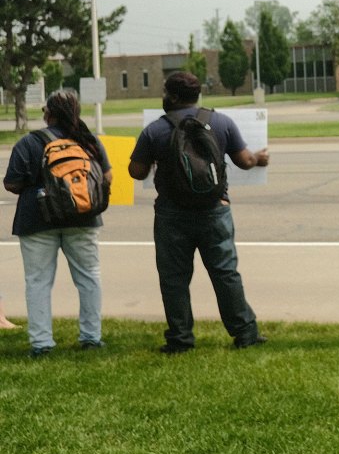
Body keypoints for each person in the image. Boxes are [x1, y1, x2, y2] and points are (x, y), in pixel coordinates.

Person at [128, 71, 269, 353]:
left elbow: (136, 171)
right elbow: (244, 161)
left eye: (166, 92)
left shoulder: (155, 130)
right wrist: (259, 159)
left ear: (174, 96)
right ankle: (245, 333)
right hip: (215, 212)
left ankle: (180, 339)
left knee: (174, 279)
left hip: (171, 216)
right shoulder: (221, 122)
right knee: (226, 273)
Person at [3, 89, 110, 357]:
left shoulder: (29, 143)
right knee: (88, 278)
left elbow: (11, 183)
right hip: (83, 218)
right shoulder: (88, 141)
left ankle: (41, 343)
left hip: (36, 219)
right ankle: (91, 337)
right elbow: (106, 177)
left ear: (48, 114)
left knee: (38, 281)